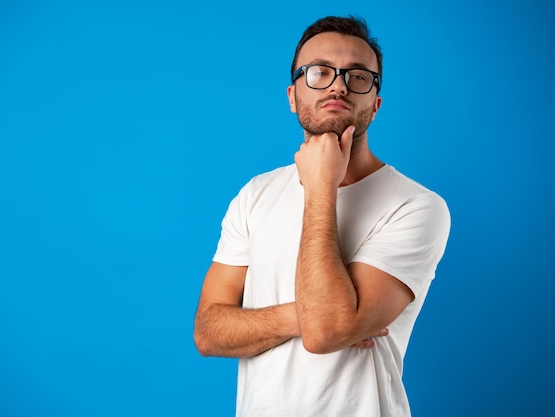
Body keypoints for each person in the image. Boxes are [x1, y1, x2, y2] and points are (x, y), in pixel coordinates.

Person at [193, 15, 451, 417]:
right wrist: (304, 316)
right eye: (319, 72)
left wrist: (319, 188)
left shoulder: (416, 206)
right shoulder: (255, 194)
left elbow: (326, 333)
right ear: (293, 95)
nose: (338, 85)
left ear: (376, 104)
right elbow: (208, 333)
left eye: (358, 76)